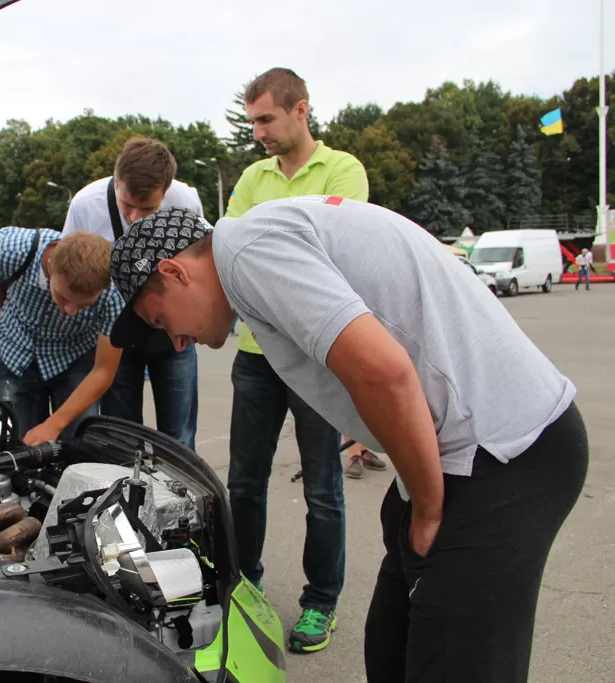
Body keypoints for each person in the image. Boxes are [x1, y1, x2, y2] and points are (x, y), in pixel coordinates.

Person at [107, 201, 586, 683]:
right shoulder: (253, 246)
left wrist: (428, 508)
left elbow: (384, 373)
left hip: (505, 453)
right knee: (392, 651)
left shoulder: (248, 254)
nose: (174, 341)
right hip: (465, 451)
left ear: (174, 272)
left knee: (456, 663)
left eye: (159, 320)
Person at [221, 66, 377, 652]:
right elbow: (231, 249)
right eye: (253, 120)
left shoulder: (343, 170)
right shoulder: (252, 177)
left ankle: (321, 602)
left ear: (300, 110)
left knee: (322, 485)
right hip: (257, 354)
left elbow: (331, 254)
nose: (258, 131)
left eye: (267, 118)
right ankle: (245, 584)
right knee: (244, 483)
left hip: (316, 354)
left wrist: (271, 248)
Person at [62, 136, 202, 449]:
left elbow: (199, 263)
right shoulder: (86, 204)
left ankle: (183, 496)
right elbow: (69, 266)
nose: (135, 217)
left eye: (148, 208)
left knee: (179, 438)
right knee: (123, 439)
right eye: (128, 205)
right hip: (115, 334)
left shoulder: (185, 200)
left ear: (166, 191)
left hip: (171, 331)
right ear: (116, 180)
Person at [0, 228, 124, 444]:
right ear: (50, 267)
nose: (70, 311)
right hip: (16, 352)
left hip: (74, 356)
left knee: (79, 442)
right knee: (18, 444)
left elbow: (103, 370)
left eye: (84, 305)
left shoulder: (116, 292)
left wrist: (54, 424)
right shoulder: (7, 250)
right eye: (63, 297)